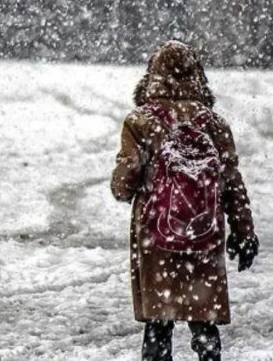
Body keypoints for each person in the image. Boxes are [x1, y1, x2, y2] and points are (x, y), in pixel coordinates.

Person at [111, 41, 259, 361]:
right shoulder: (215, 125)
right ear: (197, 77)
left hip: (156, 236)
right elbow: (232, 184)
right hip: (203, 236)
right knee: (203, 322)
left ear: (152, 76)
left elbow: (125, 182)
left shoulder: (140, 122)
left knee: (158, 325)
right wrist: (244, 232)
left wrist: (124, 188)